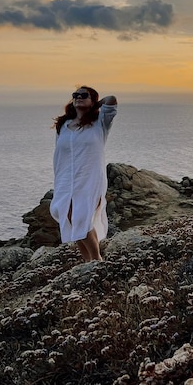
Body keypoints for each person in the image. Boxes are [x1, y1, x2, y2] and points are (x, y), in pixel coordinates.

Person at [50, 86, 117, 261]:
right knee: (70, 218)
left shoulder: (100, 123)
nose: (78, 97)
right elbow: (59, 153)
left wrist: (96, 105)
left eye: (83, 95)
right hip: (65, 179)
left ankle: (96, 259)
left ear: (92, 100)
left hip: (89, 179)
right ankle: (87, 260)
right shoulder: (63, 125)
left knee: (82, 218)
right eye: (75, 95)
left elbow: (111, 100)